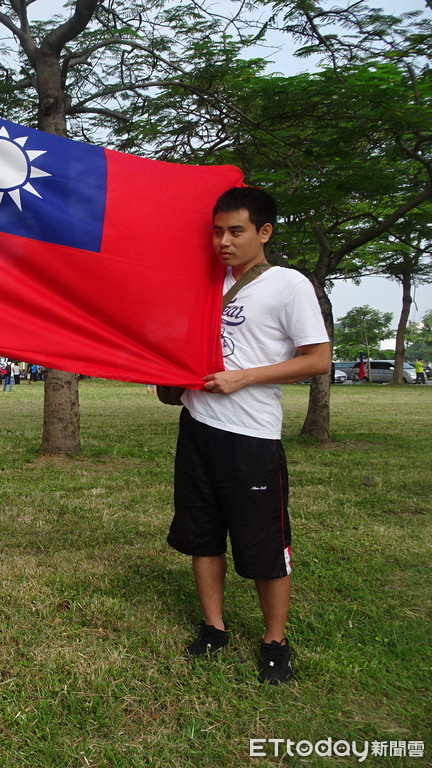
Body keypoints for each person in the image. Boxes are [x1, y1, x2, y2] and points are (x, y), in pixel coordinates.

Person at [167, 187, 330, 685]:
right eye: (217, 231)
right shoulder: (203, 282)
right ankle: (213, 628)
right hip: (198, 425)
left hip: (251, 435)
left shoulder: (288, 284)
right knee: (202, 533)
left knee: (263, 542)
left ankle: (274, 641)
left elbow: (317, 359)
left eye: (236, 231)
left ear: (264, 232)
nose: (223, 241)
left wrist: (244, 377)